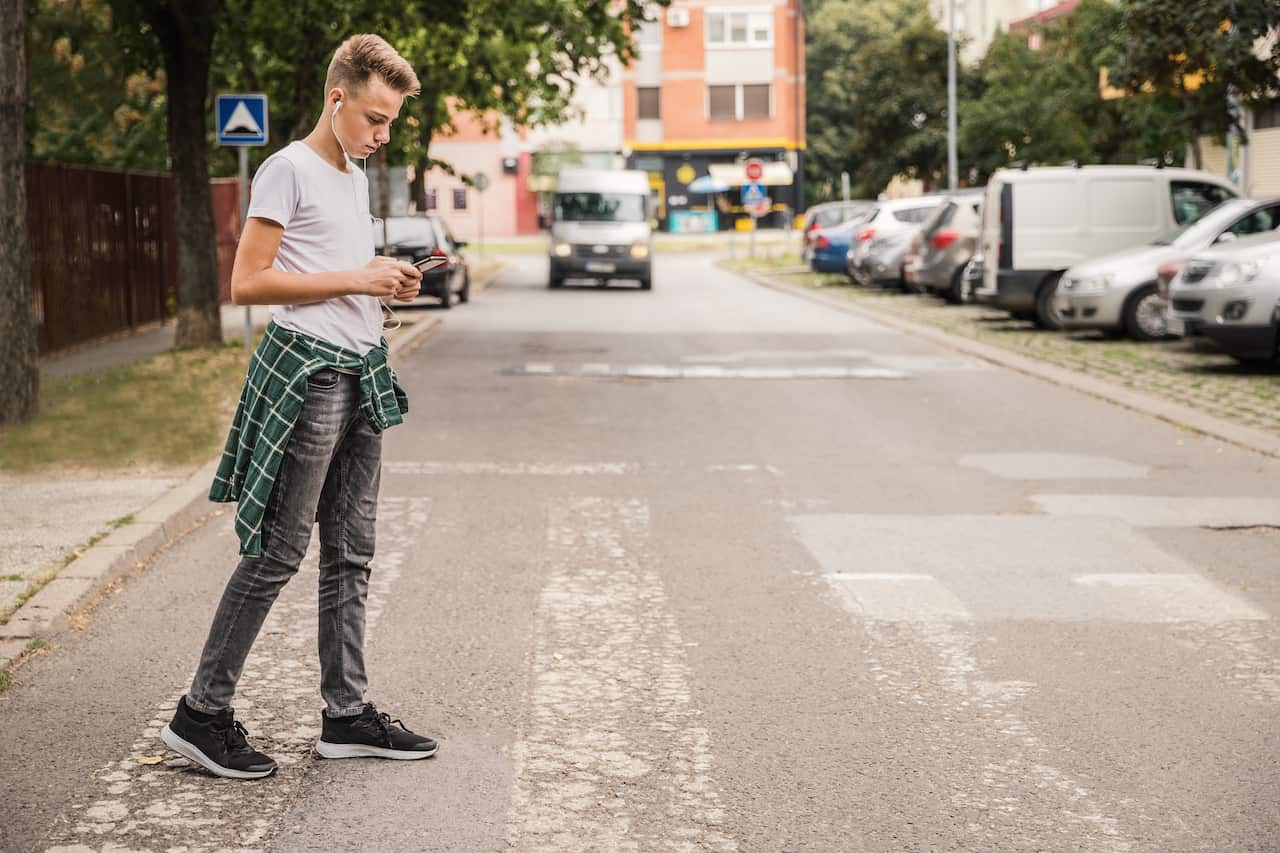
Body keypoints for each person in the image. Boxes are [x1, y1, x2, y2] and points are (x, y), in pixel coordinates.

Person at [159, 34, 434, 780]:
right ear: (337, 98)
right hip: (308, 377)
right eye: (375, 117)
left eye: (392, 122)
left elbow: (338, 271)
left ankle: (347, 715)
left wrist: (385, 282)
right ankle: (201, 712)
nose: (383, 133)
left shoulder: (354, 173)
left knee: (352, 552)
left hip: (360, 371)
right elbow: (248, 283)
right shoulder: (287, 169)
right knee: (279, 551)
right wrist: (355, 276)